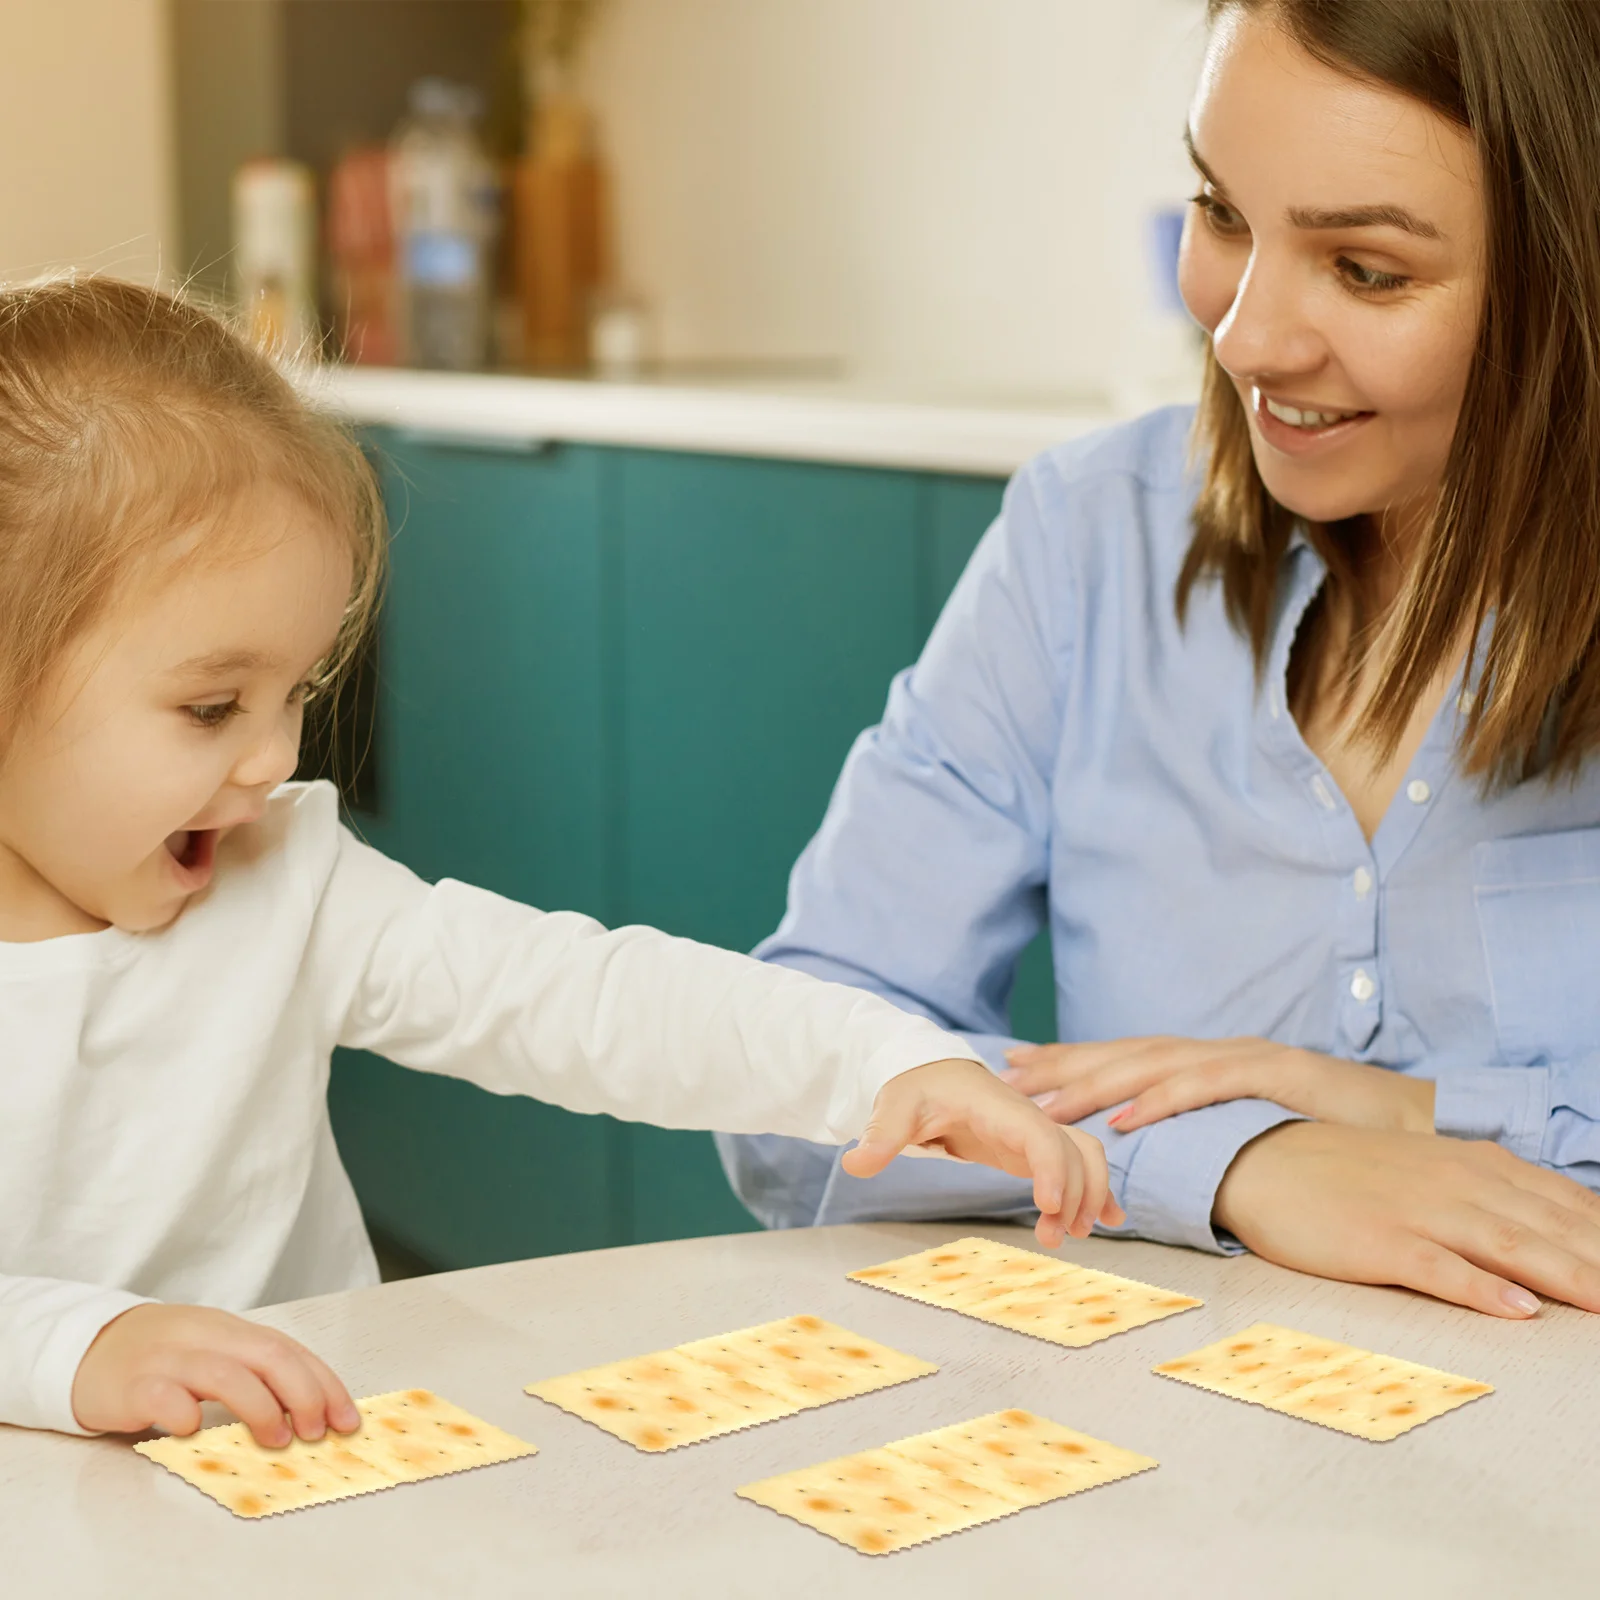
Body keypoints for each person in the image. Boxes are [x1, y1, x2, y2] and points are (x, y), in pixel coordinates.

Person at [0, 278, 1121, 1448]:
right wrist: (76, 1349)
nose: (273, 756)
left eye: (298, 693)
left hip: (309, 1492)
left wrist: (882, 1061)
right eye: (211, 704)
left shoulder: (286, 878)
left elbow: (583, 997)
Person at [719, 0, 1600, 1323]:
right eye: (1223, 212)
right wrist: (1240, 1158)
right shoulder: (1089, 538)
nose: (1244, 336)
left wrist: (1417, 1114)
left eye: (1366, 270)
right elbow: (787, 1084)